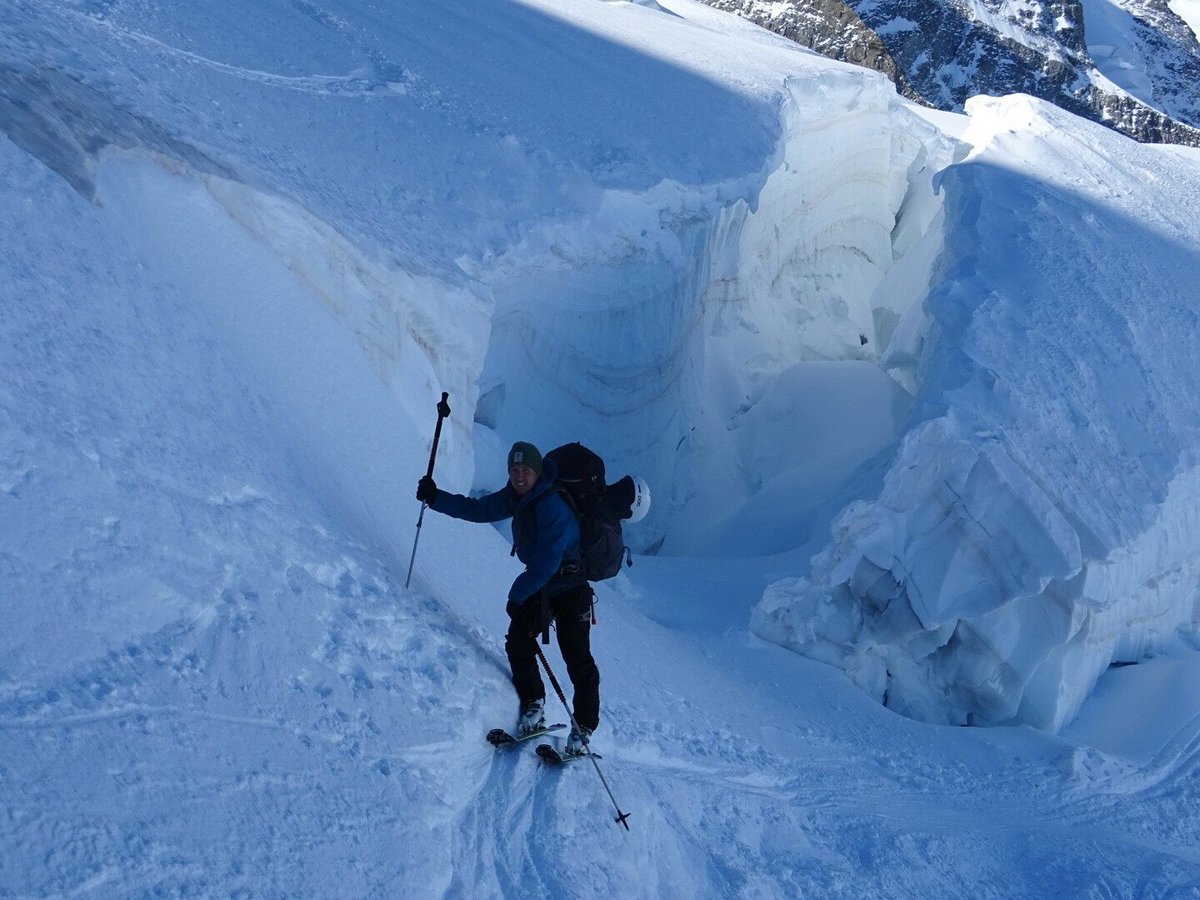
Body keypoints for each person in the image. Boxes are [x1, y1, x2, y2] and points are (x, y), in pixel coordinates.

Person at [417, 441, 600, 756]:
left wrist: (517, 596)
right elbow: (477, 510)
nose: (518, 476)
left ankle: (583, 726)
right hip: (542, 587)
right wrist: (436, 498)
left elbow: (547, 561)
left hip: (571, 589)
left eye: (525, 470)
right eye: (514, 471)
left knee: (577, 658)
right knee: (518, 641)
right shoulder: (518, 498)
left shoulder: (551, 505)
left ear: (537, 472)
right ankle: (534, 703)